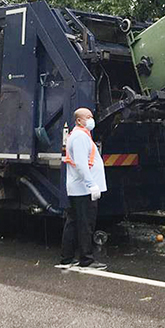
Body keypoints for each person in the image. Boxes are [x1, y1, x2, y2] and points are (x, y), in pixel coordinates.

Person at [57, 107, 107, 270]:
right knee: (85, 224)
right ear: (79, 120)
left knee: (74, 222)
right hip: (83, 189)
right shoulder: (79, 137)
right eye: (88, 117)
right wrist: (91, 184)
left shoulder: (80, 135)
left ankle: (67, 258)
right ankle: (86, 259)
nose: (91, 120)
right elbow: (81, 164)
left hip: (80, 188)